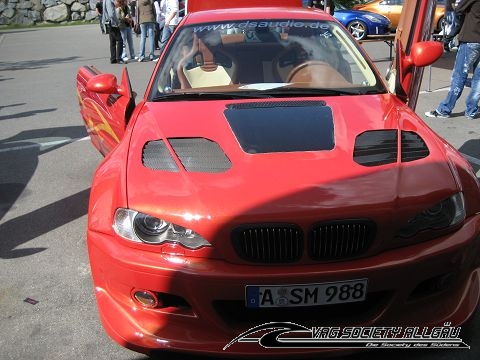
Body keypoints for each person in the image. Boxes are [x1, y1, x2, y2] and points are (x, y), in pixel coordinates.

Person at [425, 0, 480, 119]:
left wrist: (450, 36)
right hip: (476, 40)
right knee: (478, 79)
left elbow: (458, 9)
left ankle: (445, 109)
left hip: (470, 39)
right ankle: (471, 110)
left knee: (459, 76)